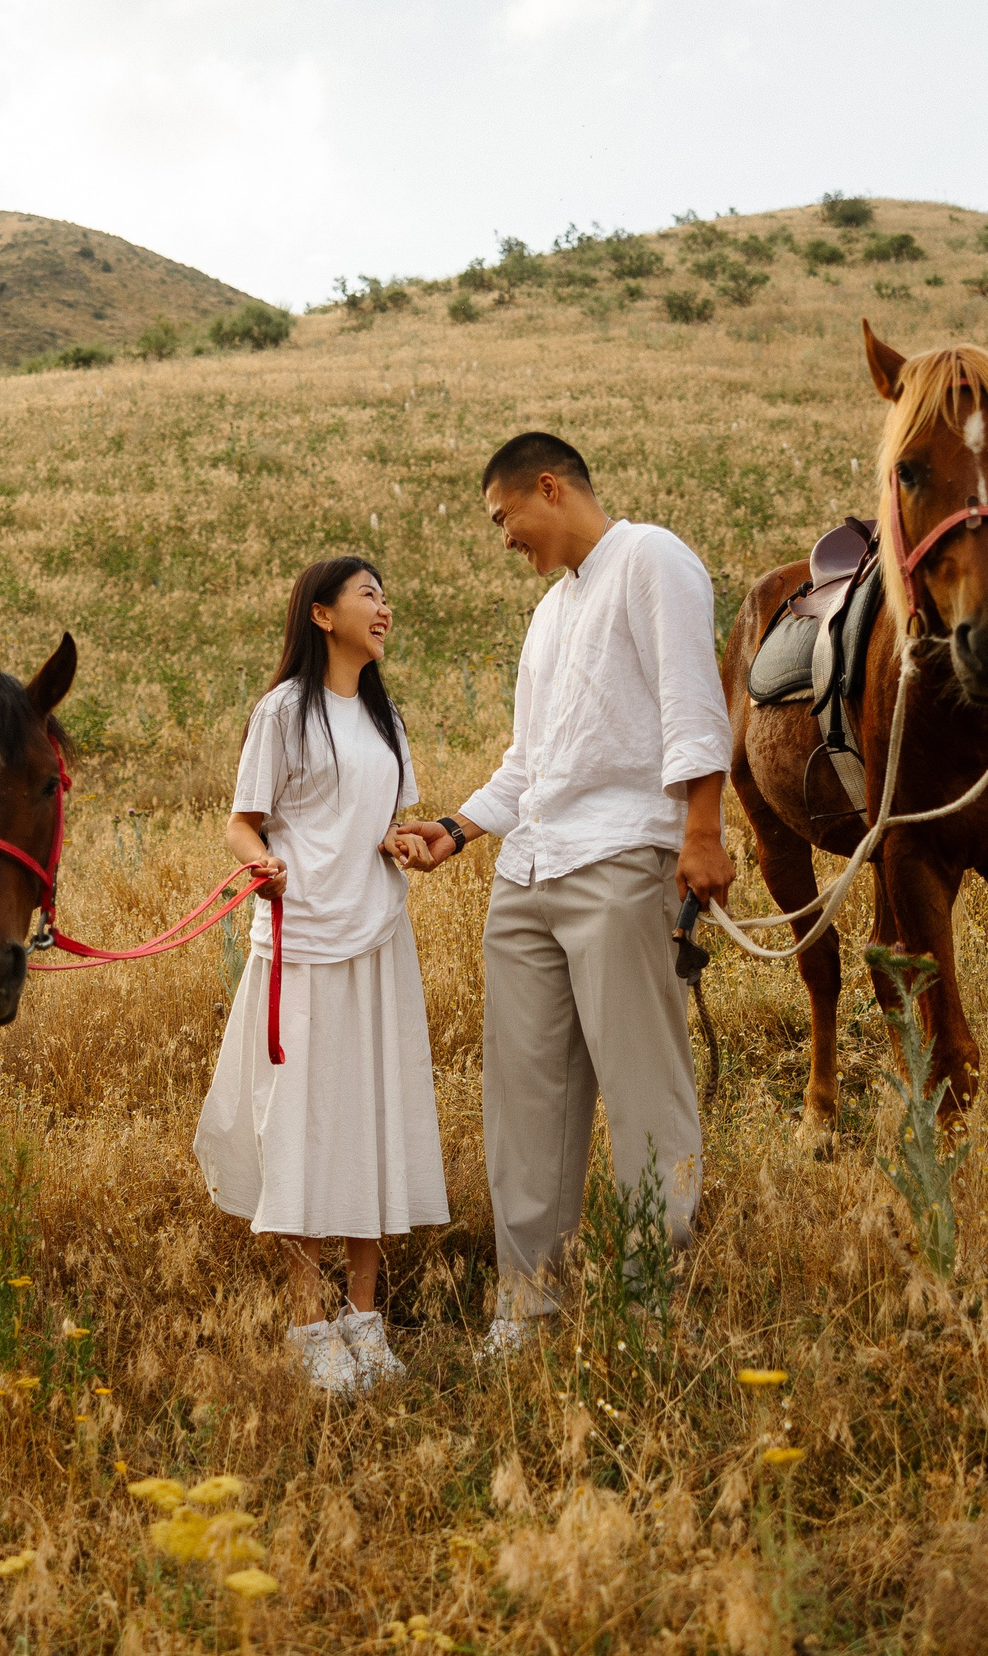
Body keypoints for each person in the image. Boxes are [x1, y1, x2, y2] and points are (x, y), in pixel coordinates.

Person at [398, 433, 734, 1354]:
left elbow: (693, 705)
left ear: (550, 487)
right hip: (527, 876)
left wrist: (700, 834)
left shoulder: (650, 557)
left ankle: (651, 1306)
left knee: (644, 1092)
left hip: (625, 860)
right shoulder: (548, 615)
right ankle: (527, 1307)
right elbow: (530, 761)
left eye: (505, 517)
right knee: (524, 1100)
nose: (504, 537)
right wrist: (458, 829)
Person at [194, 556, 451, 1395]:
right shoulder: (283, 712)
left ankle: (365, 1317)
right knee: (303, 1121)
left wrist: (400, 841)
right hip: (301, 938)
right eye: (368, 593)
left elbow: (376, 823)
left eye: (385, 592)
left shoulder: (385, 717)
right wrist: (263, 860)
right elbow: (241, 823)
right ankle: (311, 1321)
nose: (384, 607)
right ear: (320, 614)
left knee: (371, 1112)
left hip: (377, 936)